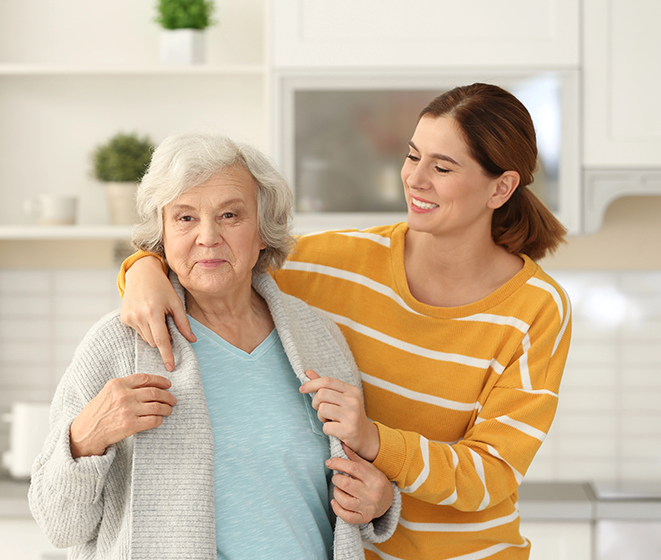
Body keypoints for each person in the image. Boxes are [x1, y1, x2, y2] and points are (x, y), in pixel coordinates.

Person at [117, 83, 573, 559]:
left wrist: (374, 442)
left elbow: (492, 475)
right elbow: (215, 261)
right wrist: (143, 267)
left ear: (501, 188)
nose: (416, 179)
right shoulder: (333, 263)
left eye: (442, 167)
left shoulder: (535, 307)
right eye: (413, 156)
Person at [28, 130, 401, 560]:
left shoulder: (317, 338)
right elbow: (58, 524)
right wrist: (85, 437)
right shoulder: (118, 344)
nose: (208, 236)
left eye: (229, 215)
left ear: (263, 230)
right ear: (162, 235)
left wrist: (380, 501)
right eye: (185, 218)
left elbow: (358, 487)